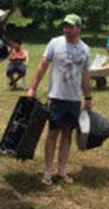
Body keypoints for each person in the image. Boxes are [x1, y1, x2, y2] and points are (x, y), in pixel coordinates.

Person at [27, 14, 91, 186]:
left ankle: (62, 169)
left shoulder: (85, 49)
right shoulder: (55, 43)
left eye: (70, 26)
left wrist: (88, 97)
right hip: (56, 96)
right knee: (52, 133)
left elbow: (85, 75)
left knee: (68, 134)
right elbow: (42, 66)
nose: (66, 30)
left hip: (73, 99)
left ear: (79, 28)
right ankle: (48, 170)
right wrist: (32, 88)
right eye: (65, 26)